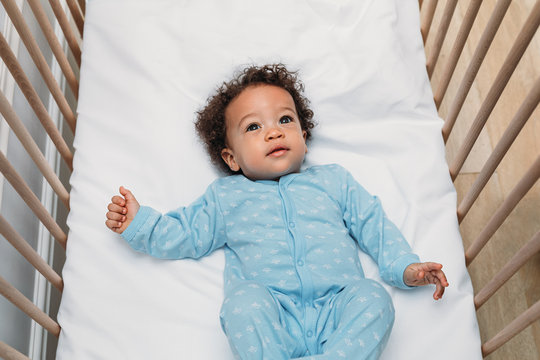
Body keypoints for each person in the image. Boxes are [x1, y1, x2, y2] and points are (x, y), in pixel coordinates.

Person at [105, 64, 448, 360]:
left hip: (338, 304)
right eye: (253, 127)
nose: (273, 131)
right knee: (243, 304)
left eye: (285, 119)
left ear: (303, 133)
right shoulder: (227, 196)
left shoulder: (333, 181)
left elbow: (375, 226)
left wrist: (405, 266)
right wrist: (140, 224)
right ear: (231, 159)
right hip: (273, 313)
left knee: (374, 298)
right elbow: (187, 233)